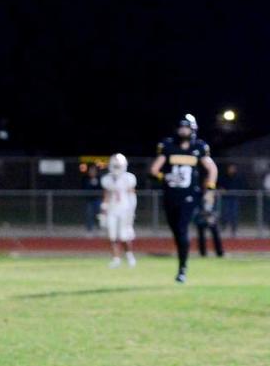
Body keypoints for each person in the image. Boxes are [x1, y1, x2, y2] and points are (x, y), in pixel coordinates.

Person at [149, 114, 218, 283]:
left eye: (186, 127)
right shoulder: (168, 145)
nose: (183, 130)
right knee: (176, 231)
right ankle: (182, 261)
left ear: (193, 129)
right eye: (181, 127)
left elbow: (212, 168)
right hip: (171, 195)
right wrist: (162, 177)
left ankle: (182, 269)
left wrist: (210, 186)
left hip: (189, 196)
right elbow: (154, 170)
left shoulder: (199, 147)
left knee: (182, 229)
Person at [100, 153, 137, 267]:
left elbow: (132, 195)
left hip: (125, 210)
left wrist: (132, 211)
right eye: (114, 166)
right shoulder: (106, 179)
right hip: (112, 210)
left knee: (124, 236)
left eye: (118, 166)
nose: (116, 168)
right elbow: (106, 195)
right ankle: (116, 259)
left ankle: (130, 256)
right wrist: (103, 210)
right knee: (112, 236)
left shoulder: (128, 178)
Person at [218, 163, 243, 236]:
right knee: (224, 213)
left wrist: (238, 193)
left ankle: (234, 229)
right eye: (230, 168)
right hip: (225, 198)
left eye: (233, 168)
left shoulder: (237, 177)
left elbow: (240, 186)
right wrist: (221, 189)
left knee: (234, 214)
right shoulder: (224, 177)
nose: (231, 170)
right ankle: (223, 227)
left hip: (234, 198)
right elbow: (220, 185)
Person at [82, 163, 102, 234]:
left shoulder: (99, 178)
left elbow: (101, 189)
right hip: (89, 200)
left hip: (97, 199)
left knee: (99, 215)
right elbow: (84, 188)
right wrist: (90, 183)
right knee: (89, 214)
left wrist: (96, 183)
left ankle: (100, 228)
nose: (92, 172)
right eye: (91, 170)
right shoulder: (86, 178)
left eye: (93, 170)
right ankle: (89, 229)